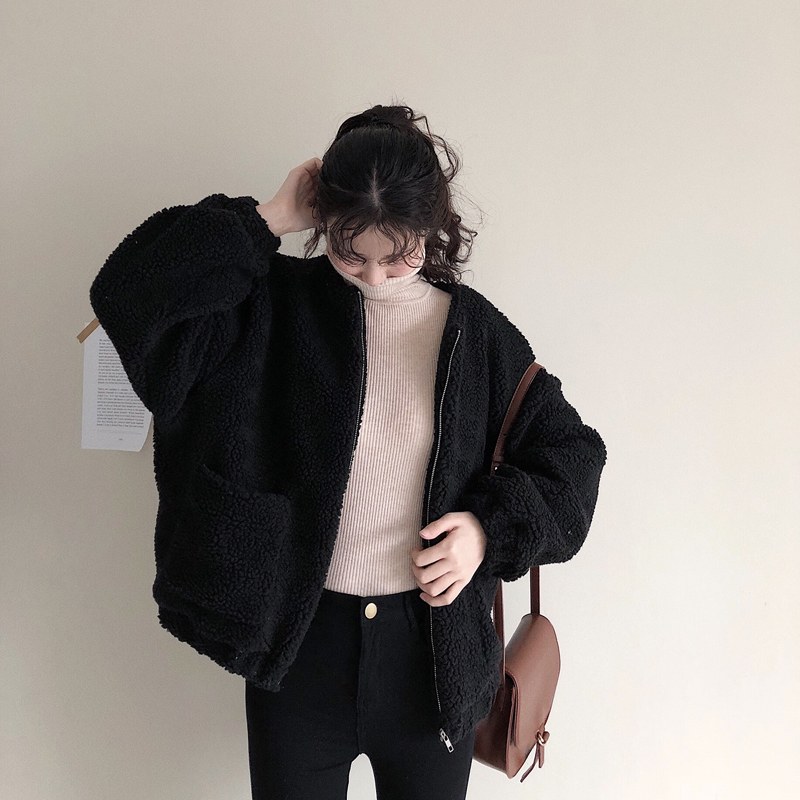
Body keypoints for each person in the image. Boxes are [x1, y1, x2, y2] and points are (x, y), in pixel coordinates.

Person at [89, 103, 607, 800]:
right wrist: (267, 218)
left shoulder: (477, 335)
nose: (374, 277)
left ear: (431, 227)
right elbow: (130, 298)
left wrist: (485, 531)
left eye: (398, 256)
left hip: (433, 659)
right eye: (350, 253)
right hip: (299, 647)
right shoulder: (271, 306)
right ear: (324, 222)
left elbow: (574, 458)